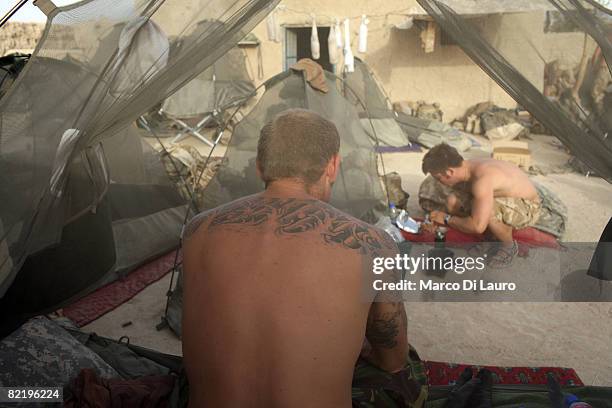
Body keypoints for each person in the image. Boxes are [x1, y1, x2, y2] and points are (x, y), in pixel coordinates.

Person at [182, 109, 419, 408]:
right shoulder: (373, 244)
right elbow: (392, 360)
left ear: (259, 167)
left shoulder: (198, 231)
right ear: (333, 166)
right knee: (406, 368)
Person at [422, 143, 541, 267]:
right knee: (452, 201)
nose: (439, 182)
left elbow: (477, 227)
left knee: (488, 212)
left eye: (438, 178)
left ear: (449, 172)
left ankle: (509, 245)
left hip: (528, 207)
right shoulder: (467, 167)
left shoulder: (482, 180)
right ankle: (491, 238)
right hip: (500, 194)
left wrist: (446, 218)